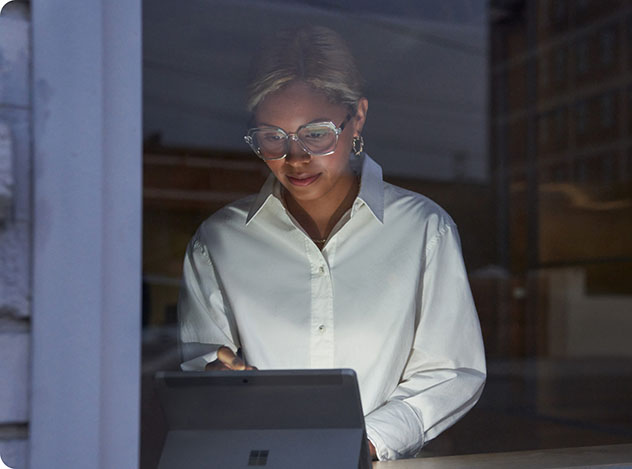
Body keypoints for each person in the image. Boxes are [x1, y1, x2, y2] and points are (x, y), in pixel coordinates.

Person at [177, 25, 486, 461]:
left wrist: (367, 441)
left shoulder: (423, 230)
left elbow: (451, 371)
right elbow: (201, 371)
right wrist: (215, 384)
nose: (295, 157)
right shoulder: (219, 242)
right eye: (273, 137)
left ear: (357, 117)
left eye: (316, 133)